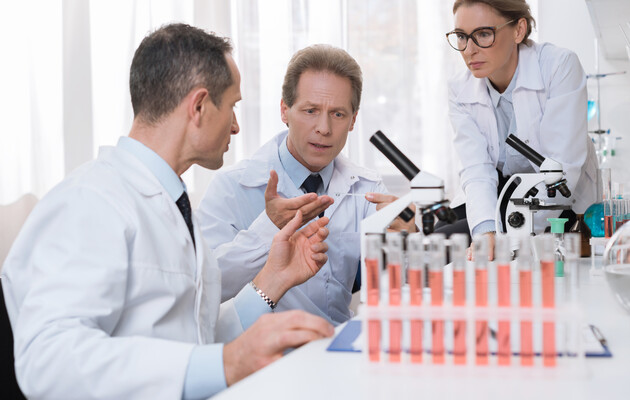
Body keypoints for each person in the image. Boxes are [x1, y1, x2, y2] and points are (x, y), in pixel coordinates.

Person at [1, 23, 335, 399]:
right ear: (199, 107)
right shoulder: (89, 201)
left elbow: (194, 345)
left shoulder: (170, 204)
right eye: (232, 106)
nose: (236, 126)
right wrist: (227, 364)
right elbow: (49, 361)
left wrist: (272, 281)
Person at [197, 44, 415, 325]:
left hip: (335, 341)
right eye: (311, 110)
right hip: (260, 347)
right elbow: (204, 289)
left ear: (353, 120)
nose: (324, 128)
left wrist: (406, 242)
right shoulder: (231, 187)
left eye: (338, 114)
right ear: (284, 110)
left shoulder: (366, 188)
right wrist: (268, 228)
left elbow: (396, 292)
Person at [444, 0, 598, 259]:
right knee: (442, 238)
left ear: (519, 30)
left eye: (483, 34)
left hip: (560, 198)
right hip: (502, 192)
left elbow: (563, 168)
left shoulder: (559, 66)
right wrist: (485, 233)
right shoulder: (460, 88)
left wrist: (511, 237)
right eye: (461, 36)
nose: (469, 50)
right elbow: (476, 169)